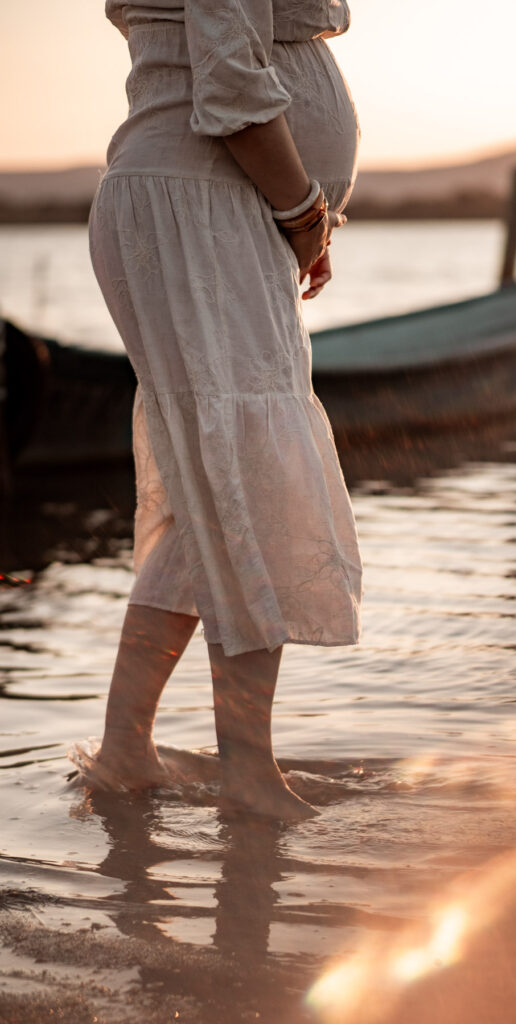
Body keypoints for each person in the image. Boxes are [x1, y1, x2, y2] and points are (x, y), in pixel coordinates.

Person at [72, 0, 363, 821]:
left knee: (220, 489)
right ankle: (246, 772)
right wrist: (305, 211)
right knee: (257, 481)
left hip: (207, 202)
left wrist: (299, 212)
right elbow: (231, 87)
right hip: (199, 199)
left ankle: (127, 751)